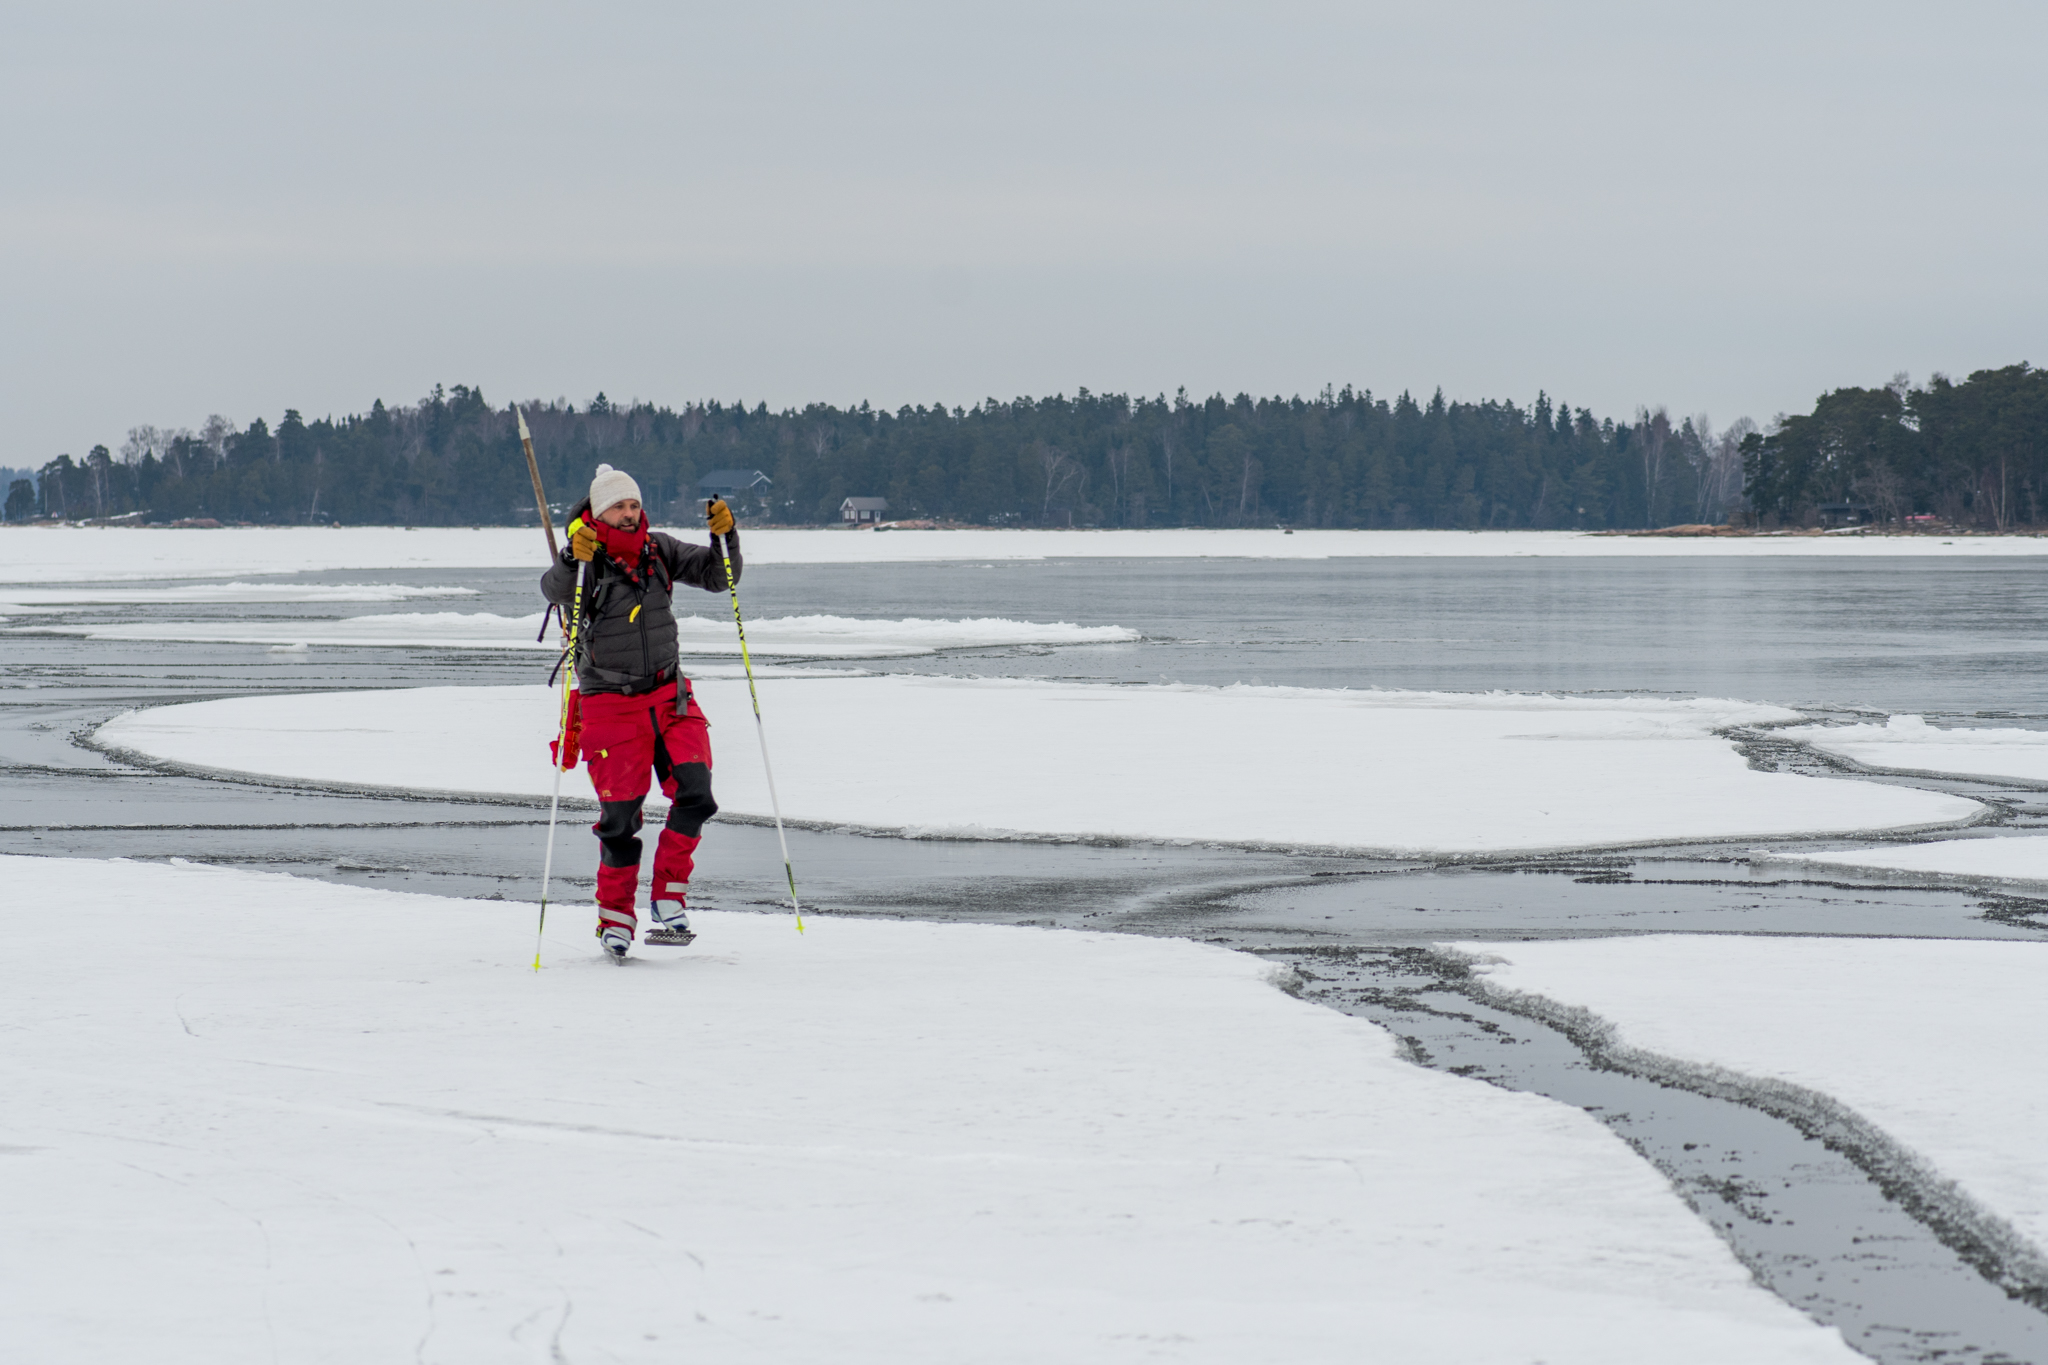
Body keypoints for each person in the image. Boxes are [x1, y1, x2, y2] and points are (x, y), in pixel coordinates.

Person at [541, 463, 740, 958]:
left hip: (671, 698)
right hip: (610, 707)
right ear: (598, 511)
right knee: (620, 821)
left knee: (697, 795)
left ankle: (669, 897)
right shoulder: (587, 556)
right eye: (619, 507)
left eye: (634, 505)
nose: (629, 515)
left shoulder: (660, 548)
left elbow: (721, 576)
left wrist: (726, 536)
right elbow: (554, 590)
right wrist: (571, 556)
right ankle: (615, 919)